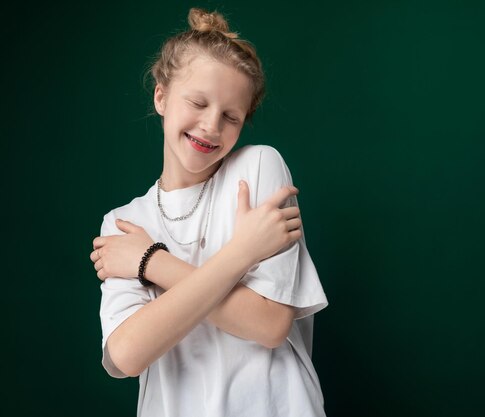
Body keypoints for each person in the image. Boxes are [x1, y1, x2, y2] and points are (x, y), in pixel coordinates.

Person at [89, 7, 328, 417]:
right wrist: (242, 253)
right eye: (197, 102)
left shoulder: (256, 169)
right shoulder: (124, 222)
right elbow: (126, 355)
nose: (211, 126)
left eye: (231, 117)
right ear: (161, 96)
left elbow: (270, 325)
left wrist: (150, 261)